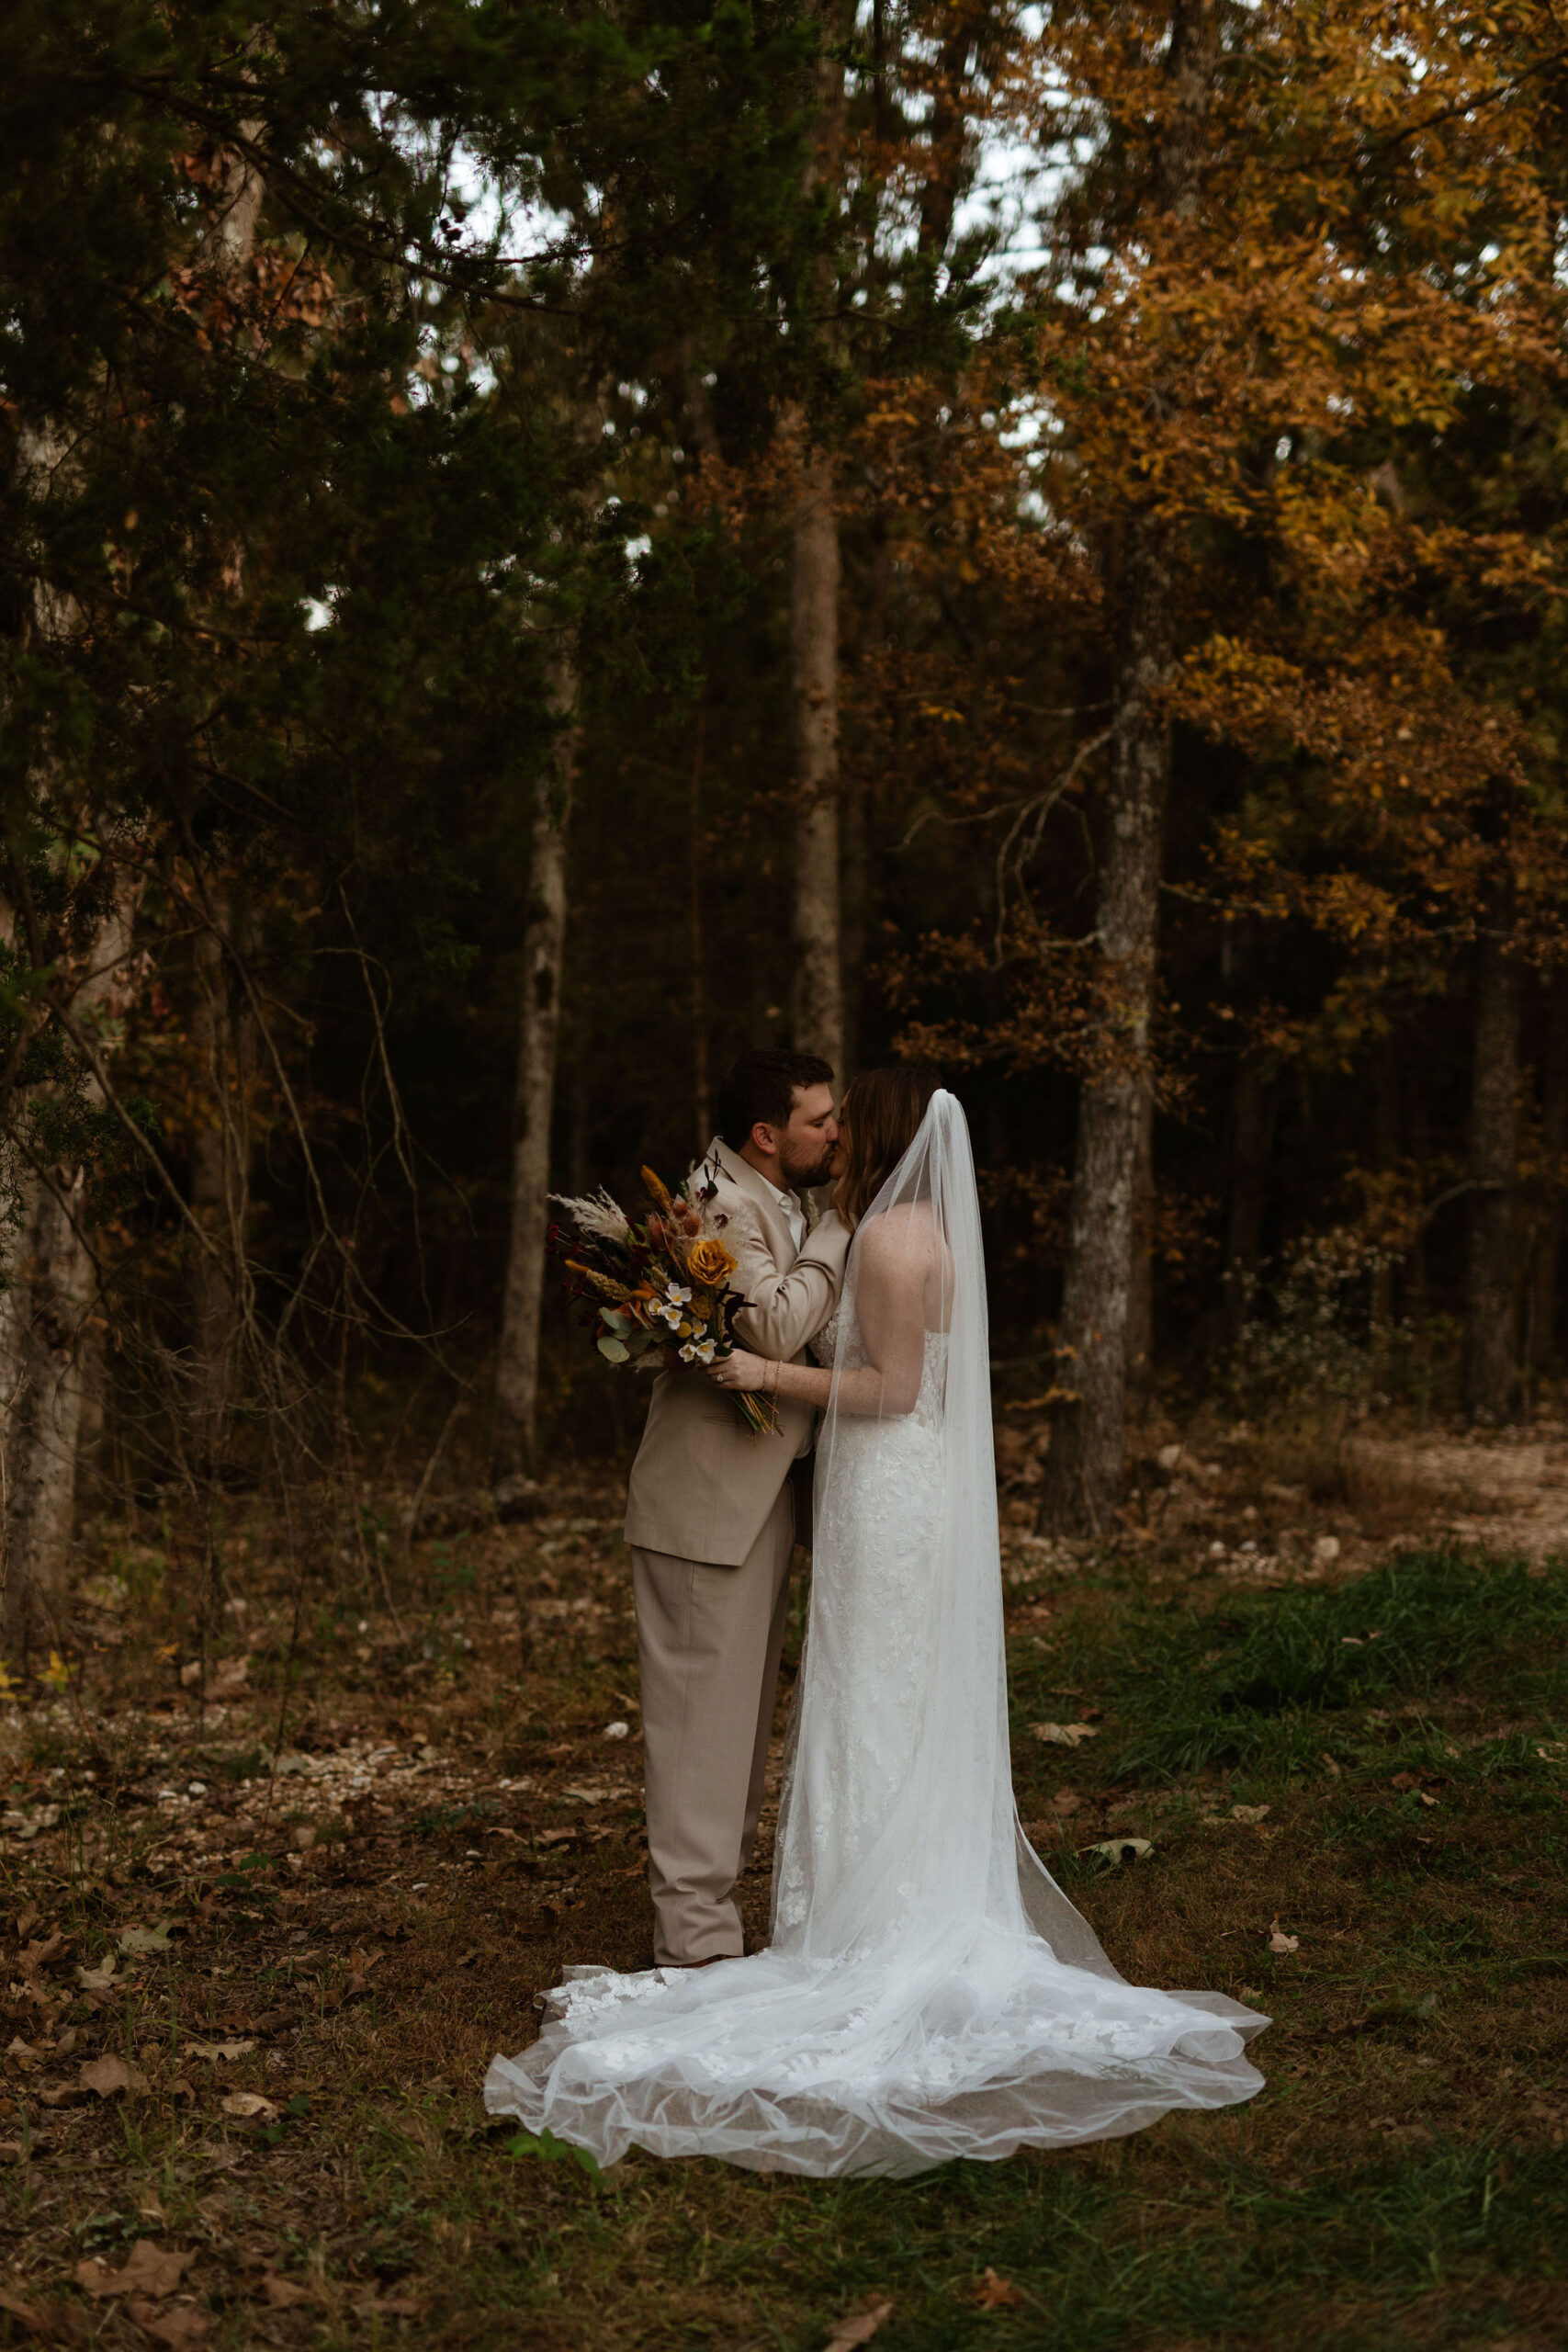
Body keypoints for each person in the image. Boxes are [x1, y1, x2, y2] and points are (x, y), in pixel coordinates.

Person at [487, 1074, 1268, 2176]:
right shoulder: (757, 1203)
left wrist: (763, 1366)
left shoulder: (884, 1237)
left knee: (868, 1700)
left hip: (880, 1488)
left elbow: (891, 1385)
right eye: (820, 1119)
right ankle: (743, 1931)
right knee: (832, 1704)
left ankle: (859, 1924)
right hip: (818, 1497)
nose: (834, 1134)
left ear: (882, 1140)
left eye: (847, 1122)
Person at [620, 1049, 852, 1970]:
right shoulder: (716, 1200)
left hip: (758, 1499)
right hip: (704, 1505)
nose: (836, 1131)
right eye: (819, 1120)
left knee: (737, 1724)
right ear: (768, 1134)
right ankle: (696, 1952)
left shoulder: (773, 1193)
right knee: (697, 1729)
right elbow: (770, 1326)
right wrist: (838, 1228)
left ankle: (711, 1928)